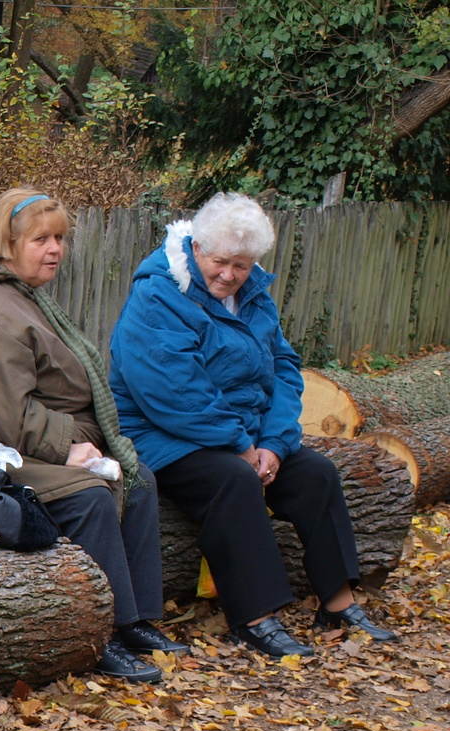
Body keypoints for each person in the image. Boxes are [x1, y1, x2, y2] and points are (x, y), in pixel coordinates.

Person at [0, 186, 185, 683]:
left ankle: (135, 618)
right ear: (7, 243)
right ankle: (98, 634)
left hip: (14, 429)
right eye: (41, 239)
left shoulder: (18, 296)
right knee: (88, 494)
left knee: (138, 478)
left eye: (59, 238)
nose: (55, 249)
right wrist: (68, 446)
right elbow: (5, 410)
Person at [109, 192, 395, 656]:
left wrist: (275, 444)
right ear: (196, 248)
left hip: (243, 433)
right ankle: (255, 617)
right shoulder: (159, 294)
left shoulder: (254, 295)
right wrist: (241, 446)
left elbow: (284, 366)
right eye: (220, 262)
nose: (229, 275)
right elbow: (173, 392)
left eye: (241, 266)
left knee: (317, 475)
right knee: (234, 479)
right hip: (162, 435)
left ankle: (338, 602)